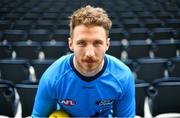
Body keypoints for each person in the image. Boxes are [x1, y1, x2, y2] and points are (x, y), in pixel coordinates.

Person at [32, 5, 135, 117]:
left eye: (97, 43)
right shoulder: (52, 77)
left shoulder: (123, 76)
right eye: (82, 43)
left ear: (107, 44)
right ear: (70, 44)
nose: (89, 53)